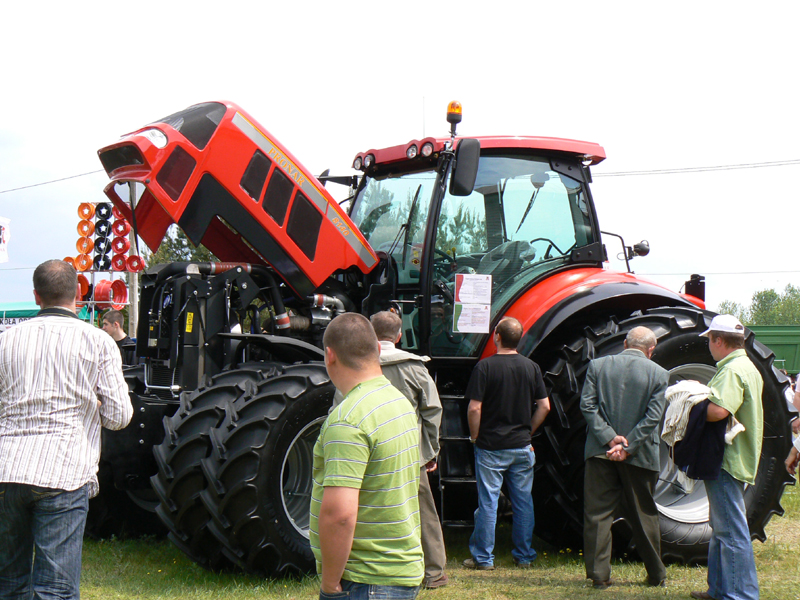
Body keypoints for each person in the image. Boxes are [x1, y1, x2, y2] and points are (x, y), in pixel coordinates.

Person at [0, 260, 133, 600]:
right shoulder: (99, 342)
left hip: (7, 469)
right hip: (64, 470)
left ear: (35, 296)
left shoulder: (6, 341)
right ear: (78, 294)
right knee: (55, 590)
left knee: (8, 585)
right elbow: (119, 415)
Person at [310, 313, 423, 599]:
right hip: (400, 571)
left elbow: (340, 516)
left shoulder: (347, 420)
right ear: (377, 349)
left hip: (365, 580)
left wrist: (330, 583)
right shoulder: (399, 402)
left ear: (330, 355)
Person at [579, 326, 669, 590]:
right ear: (651, 350)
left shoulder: (597, 366)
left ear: (625, 343)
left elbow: (587, 405)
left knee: (597, 514)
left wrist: (609, 438)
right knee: (644, 515)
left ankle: (599, 575)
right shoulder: (659, 373)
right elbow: (653, 417)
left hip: (600, 451)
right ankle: (656, 575)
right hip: (639, 455)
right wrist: (628, 446)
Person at [463, 316, 550, 569]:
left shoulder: (485, 367)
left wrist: (474, 436)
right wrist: (528, 432)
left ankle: (483, 558)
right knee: (523, 502)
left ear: (496, 337)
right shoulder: (531, 367)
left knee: (488, 503)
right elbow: (544, 406)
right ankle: (524, 556)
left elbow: (474, 409)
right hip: (522, 446)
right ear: (519, 338)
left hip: (490, 447)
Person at [369, 311, 448, 589]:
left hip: (368, 454)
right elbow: (432, 411)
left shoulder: (360, 365)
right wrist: (429, 453)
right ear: (399, 335)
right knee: (424, 512)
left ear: (370, 333)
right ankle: (435, 572)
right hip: (410, 454)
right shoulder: (414, 367)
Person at [691, 315, 763, 600]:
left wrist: (690, 405)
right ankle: (719, 589)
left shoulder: (732, 371)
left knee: (731, 531)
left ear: (718, 341)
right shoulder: (748, 367)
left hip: (726, 459)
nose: (709, 345)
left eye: (709, 340)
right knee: (722, 527)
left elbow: (719, 411)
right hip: (738, 456)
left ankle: (740, 595)